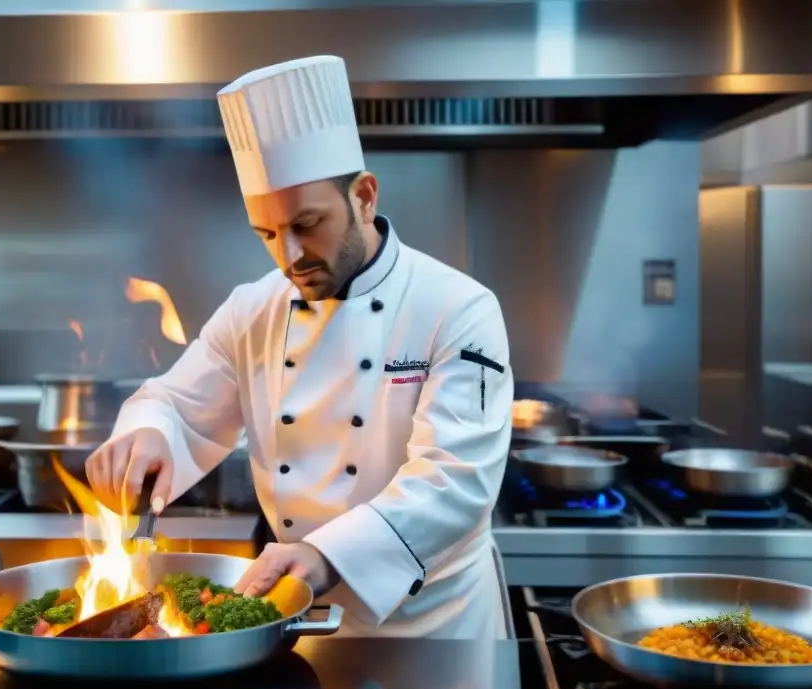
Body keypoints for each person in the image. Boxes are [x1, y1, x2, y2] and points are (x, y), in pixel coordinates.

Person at [86, 55, 514, 639]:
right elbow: (177, 404)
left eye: (307, 224)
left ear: (364, 196)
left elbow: (456, 479)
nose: (288, 257)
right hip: (296, 613)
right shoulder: (252, 308)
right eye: (266, 234)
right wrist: (147, 432)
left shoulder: (458, 308)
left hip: (435, 629)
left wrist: (326, 555)